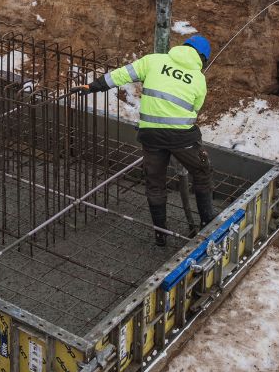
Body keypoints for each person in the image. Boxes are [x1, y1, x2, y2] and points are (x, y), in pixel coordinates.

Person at [77, 36, 215, 247]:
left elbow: (121, 74)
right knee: (202, 172)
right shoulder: (198, 79)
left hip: (151, 135)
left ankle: (160, 235)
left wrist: (93, 87)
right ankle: (208, 222)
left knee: (155, 183)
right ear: (203, 58)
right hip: (182, 138)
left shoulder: (153, 61)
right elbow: (195, 110)